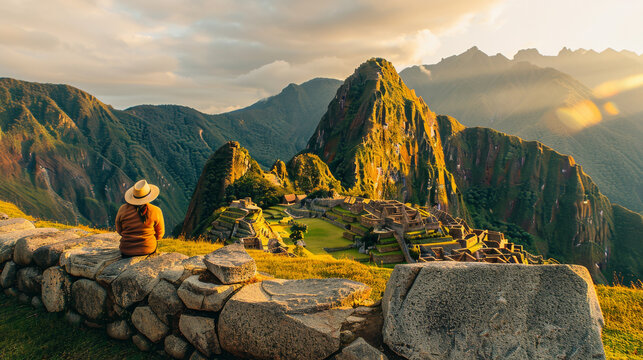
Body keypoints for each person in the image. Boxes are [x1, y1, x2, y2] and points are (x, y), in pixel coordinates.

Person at [115, 179, 165, 257]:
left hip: (126, 250)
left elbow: (119, 230)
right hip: (148, 249)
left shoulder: (122, 209)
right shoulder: (156, 210)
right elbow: (160, 234)